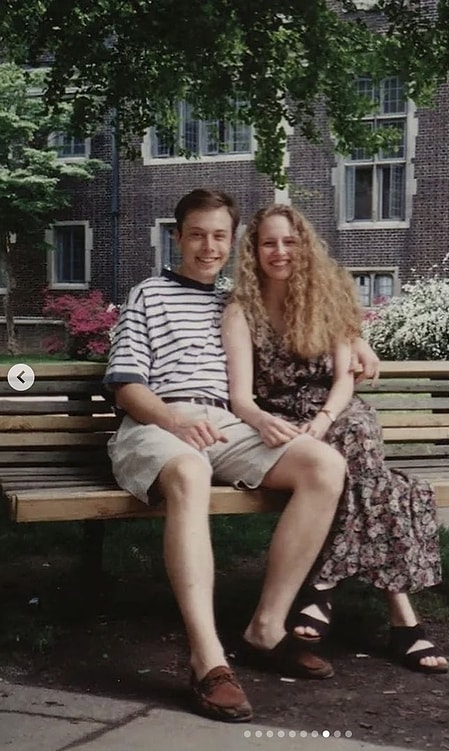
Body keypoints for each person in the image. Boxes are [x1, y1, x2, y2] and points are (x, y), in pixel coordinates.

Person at [104, 189, 379, 724]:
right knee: (189, 470)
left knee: (325, 466)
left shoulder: (239, 299)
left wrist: (358, 339)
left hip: (224, 424)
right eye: (198, 234)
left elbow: (314, 313)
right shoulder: (149, 295)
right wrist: (172, 419)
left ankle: (266, 627)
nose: (209, 246)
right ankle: (208, 660)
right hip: (156, 423)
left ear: (233, 243)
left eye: (220, 236)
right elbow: (125, 388)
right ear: (178, 236)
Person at [222, 204, 449, 675]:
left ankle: (321, 589)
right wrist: (263, 421)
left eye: (289, 241)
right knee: (379, 485)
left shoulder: (329, 296)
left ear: (304, 245)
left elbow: (345, 380)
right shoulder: (242, 311)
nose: (280, 251)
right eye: (269, 243)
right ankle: (402, 620)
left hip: (332, 414)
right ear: (253, 251)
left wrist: (325, 419)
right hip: (282, 422)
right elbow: (241, 398)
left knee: (359, 435)